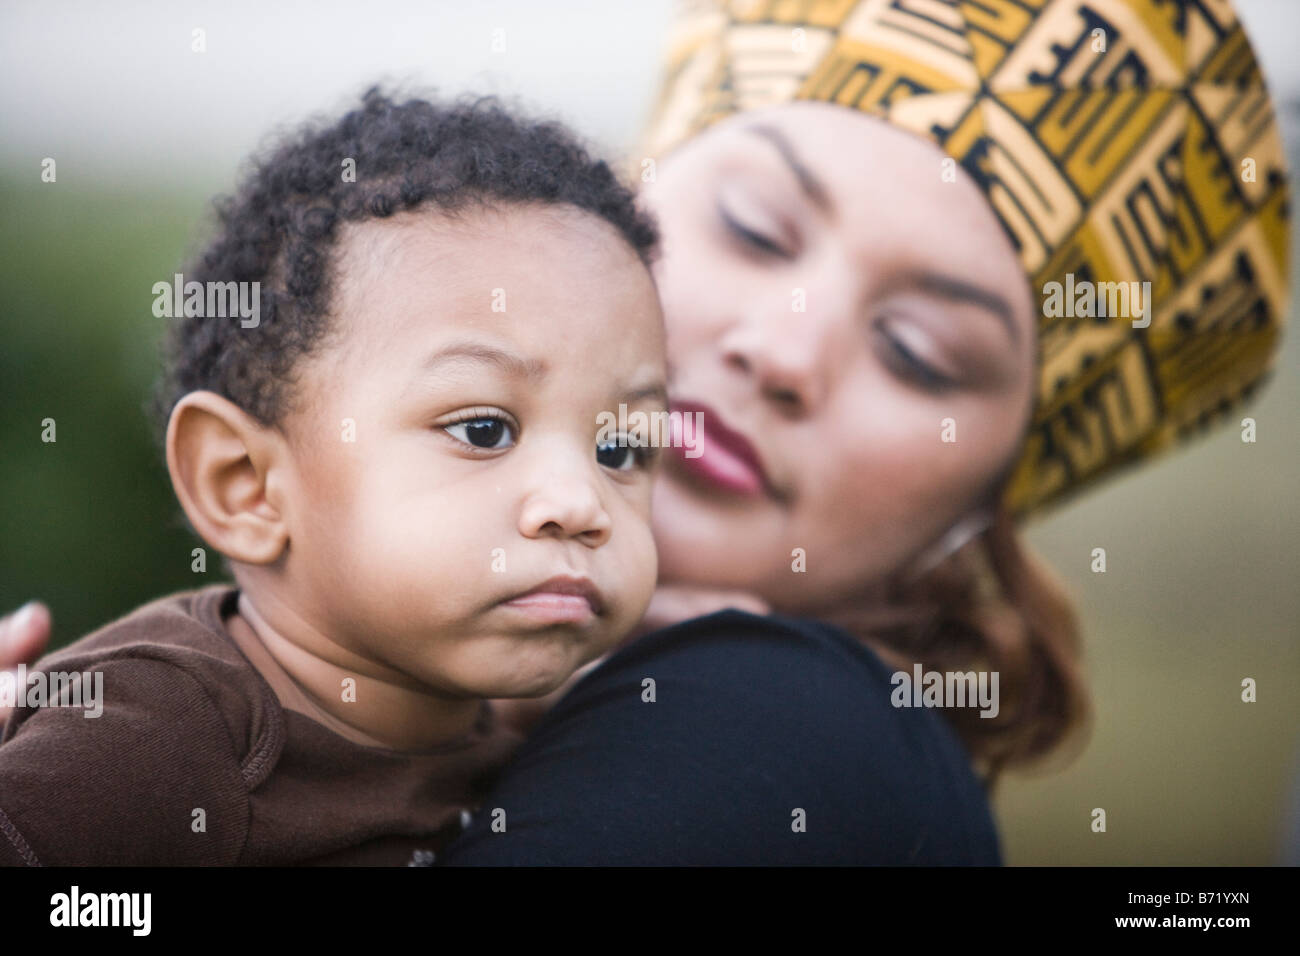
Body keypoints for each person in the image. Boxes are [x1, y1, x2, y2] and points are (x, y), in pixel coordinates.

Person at [3, 0, 1289, 865]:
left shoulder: (800, 735)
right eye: (756, 230)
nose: (783, 350)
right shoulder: (301, 703)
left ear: (979, 512)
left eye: (919, 352)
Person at [0, 87, 671, 865]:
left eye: (621, 448)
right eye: (484, 429)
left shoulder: (528, 735)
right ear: (244, 484)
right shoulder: (156, 734)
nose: (579, 503)